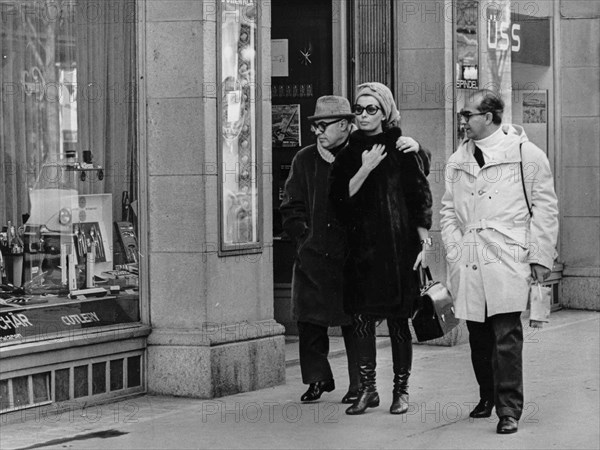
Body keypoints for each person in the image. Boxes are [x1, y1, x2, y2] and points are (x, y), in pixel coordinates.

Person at [280, 95, 429, 404]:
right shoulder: (304, 159)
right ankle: (317, 378)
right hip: (314, 253)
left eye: (324, 125)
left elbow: (412, 171)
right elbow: (291, 203)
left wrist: (417, 146)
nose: (318, 132)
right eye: (315, 126)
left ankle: (359, 385)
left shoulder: (360, 151)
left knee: (354, 322)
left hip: (352, 253)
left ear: (344, 127)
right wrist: (302, 234)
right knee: (309, 320)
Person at [440, 89, 559, 434]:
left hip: (509, 256)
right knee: (478, 333)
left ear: (489, 117)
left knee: (506, 334)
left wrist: (540, 257)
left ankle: (509, 409)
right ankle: (487, 395)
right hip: (469, 256)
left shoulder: (527, 154)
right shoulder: (457, 159)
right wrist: (453, 247)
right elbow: (448, 209)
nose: (463, 121)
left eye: (468, 115)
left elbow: (545, 210)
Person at [329, 83, 433, 415]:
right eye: (358, 109)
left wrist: (423, 241)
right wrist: (365, 167)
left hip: (398, 248)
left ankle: (400, 391)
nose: (363, 115)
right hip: (360, 252)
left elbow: (420, 196)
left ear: (385, 111)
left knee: (399, 322)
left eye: (371, 109)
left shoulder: (400, 147)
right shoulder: (347, 154)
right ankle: (367, 389)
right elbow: (339, 202)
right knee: (361, 321)